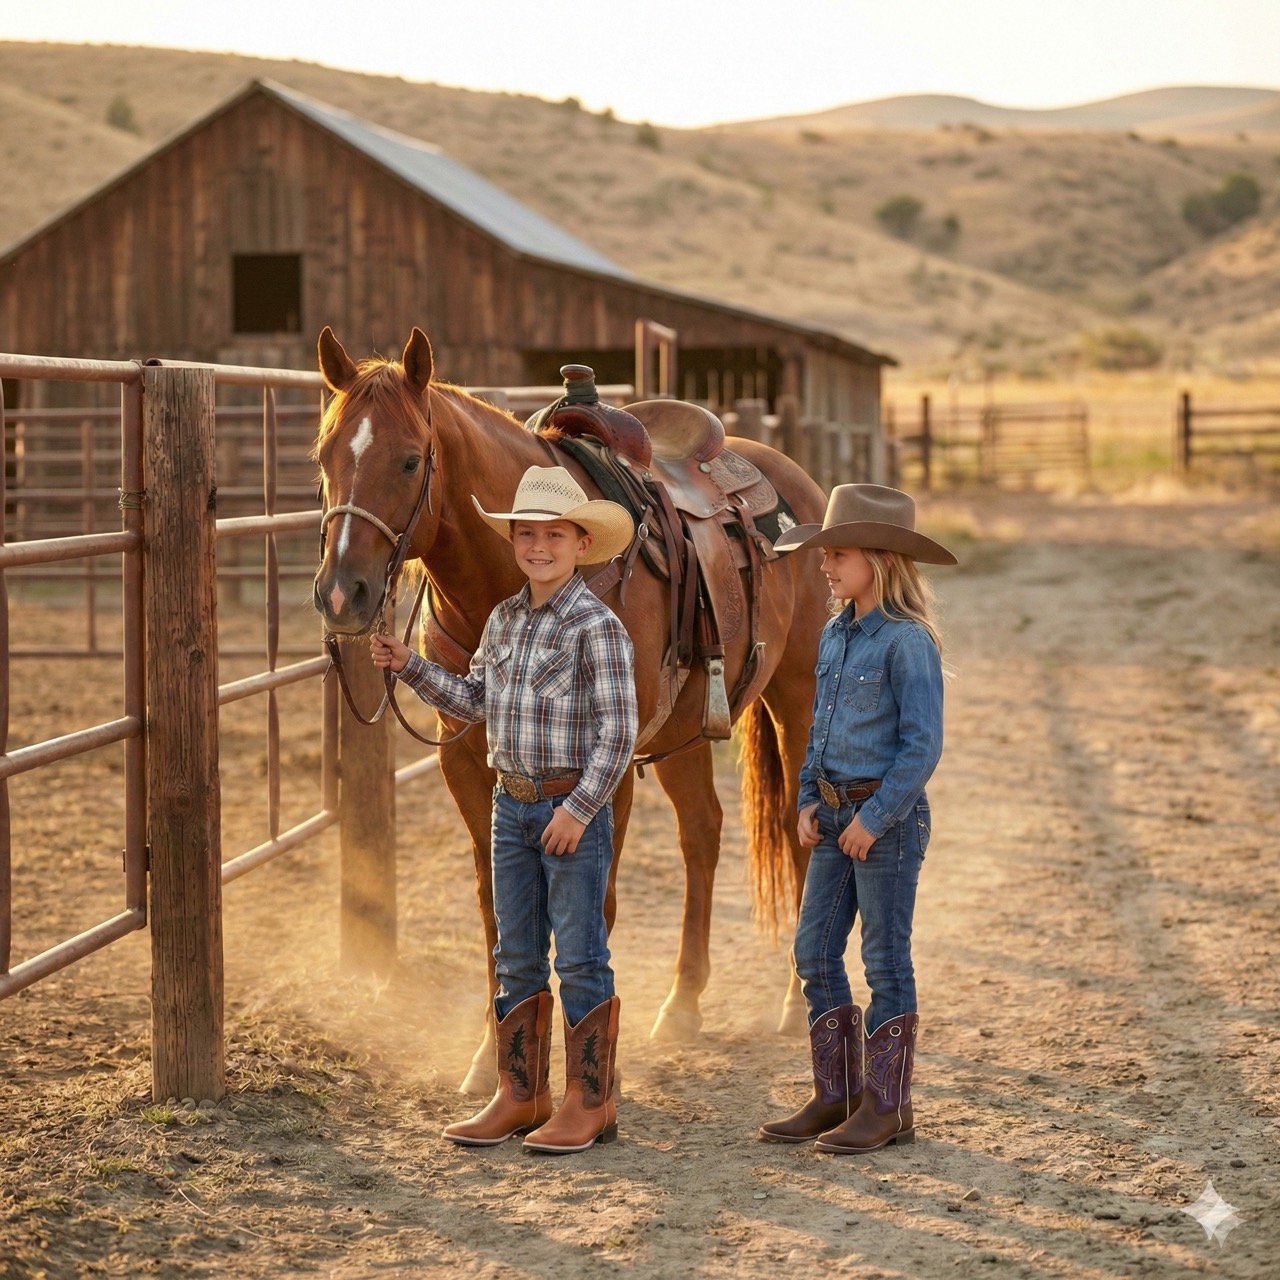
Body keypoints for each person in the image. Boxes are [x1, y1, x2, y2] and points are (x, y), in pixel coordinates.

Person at [370, 465, 637, 1154]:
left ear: (582, 543)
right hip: (509, 807)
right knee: (515, 954)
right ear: (512, 541)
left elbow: (619, 732)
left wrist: (579, 809)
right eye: (526, 535)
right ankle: (520, 1092)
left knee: (580, 955)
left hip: (568, 808)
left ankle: (591, 1101)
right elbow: (475, 702)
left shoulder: (597, 627)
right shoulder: (504, 620)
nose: (539, 547)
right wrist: (408, 665)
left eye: (555, 535)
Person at [758, 483, 956, 1153]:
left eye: (837, 554)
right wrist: (807, 798)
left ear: (880, 560)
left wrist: (874, 818)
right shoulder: (835, 633)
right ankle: (837, 1094)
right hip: (834, 815)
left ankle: (889, 1106)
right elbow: (818, 728)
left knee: (884, 960)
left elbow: (922, 745)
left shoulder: (907, 642)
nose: (824, 565)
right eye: (825, 554)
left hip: (885, 823)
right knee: (813, 952)